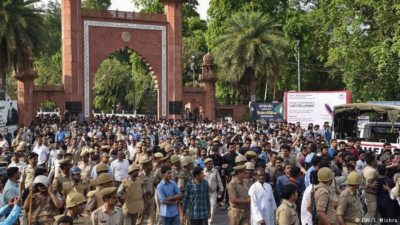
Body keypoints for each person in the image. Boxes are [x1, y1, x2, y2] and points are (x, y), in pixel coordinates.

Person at [203, 158, 223, 224]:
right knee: (205, 206)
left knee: (213, 205)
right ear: (206, 165)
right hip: (204, 192)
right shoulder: (202, 172)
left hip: (213, 192)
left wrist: (221, 189)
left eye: (212, 164)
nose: (211, 165)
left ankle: (210, 221)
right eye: (209, 164)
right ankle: (205, 219)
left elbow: (219, 181)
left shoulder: (215, 171)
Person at [136, 157, 156, 225]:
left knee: (151, 221)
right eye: (150, 164)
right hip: (142, 201)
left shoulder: (152, 174)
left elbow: (152, 185)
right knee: (139, 220)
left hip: (150, 199)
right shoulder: (139, 176)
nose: (152, 165)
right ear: (145, 166)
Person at [362, 152, 378, 222]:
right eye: (375, 160)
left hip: (369, 194)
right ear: (372, 162)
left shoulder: (367, 168)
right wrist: (372, 185)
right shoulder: (371, 171)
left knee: (373, 212)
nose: (376, 161)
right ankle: (362, 222)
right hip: (371, 194)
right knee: (372, 212)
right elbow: (368, 183)